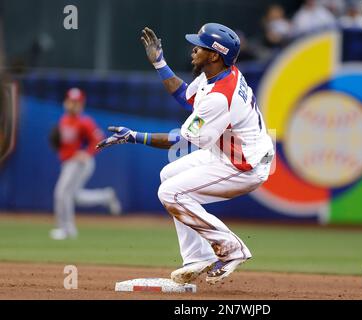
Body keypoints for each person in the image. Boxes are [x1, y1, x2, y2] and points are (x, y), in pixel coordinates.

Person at [96, 23, 275, 285]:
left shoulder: (220, 96)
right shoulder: (218, 75)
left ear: (214, 55)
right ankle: (196, 257)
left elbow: (181, 140)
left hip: (244, 165)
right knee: (169, 174)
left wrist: (134, 136)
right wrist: (160, 63)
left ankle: (231, 249)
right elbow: (184, 96)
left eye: (200, 46)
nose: (193, 49)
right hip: (231, 152)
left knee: (170, 193)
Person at [50, 88, 122, 240]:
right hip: (68, 162)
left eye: (77, 102)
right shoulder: (63, 120)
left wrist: (87, 153)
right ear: (66, 102)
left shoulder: (84, 121)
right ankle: (106, 196)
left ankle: (66, 229)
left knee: (62, 193)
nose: (73, 105)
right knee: (74, 196)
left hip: (78, 163)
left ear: (81, 104)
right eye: (71, 101)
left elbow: (99, 139)